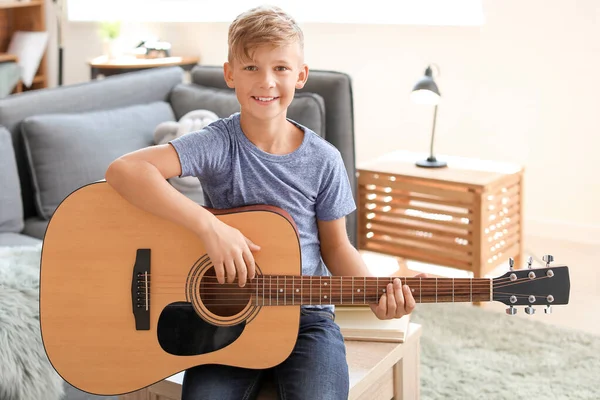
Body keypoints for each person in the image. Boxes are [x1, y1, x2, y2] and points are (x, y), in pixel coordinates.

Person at [105, 5, 423, 400]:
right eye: (252, 67)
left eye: (281, 69)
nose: (266, 81)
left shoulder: (324, 159)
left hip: (307, 317)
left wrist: (375, 296)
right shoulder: (217, 142)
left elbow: (336, 246)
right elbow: (124, 171)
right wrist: (210, 227)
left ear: (301, 75)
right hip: (223, 315)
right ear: (230, 74)